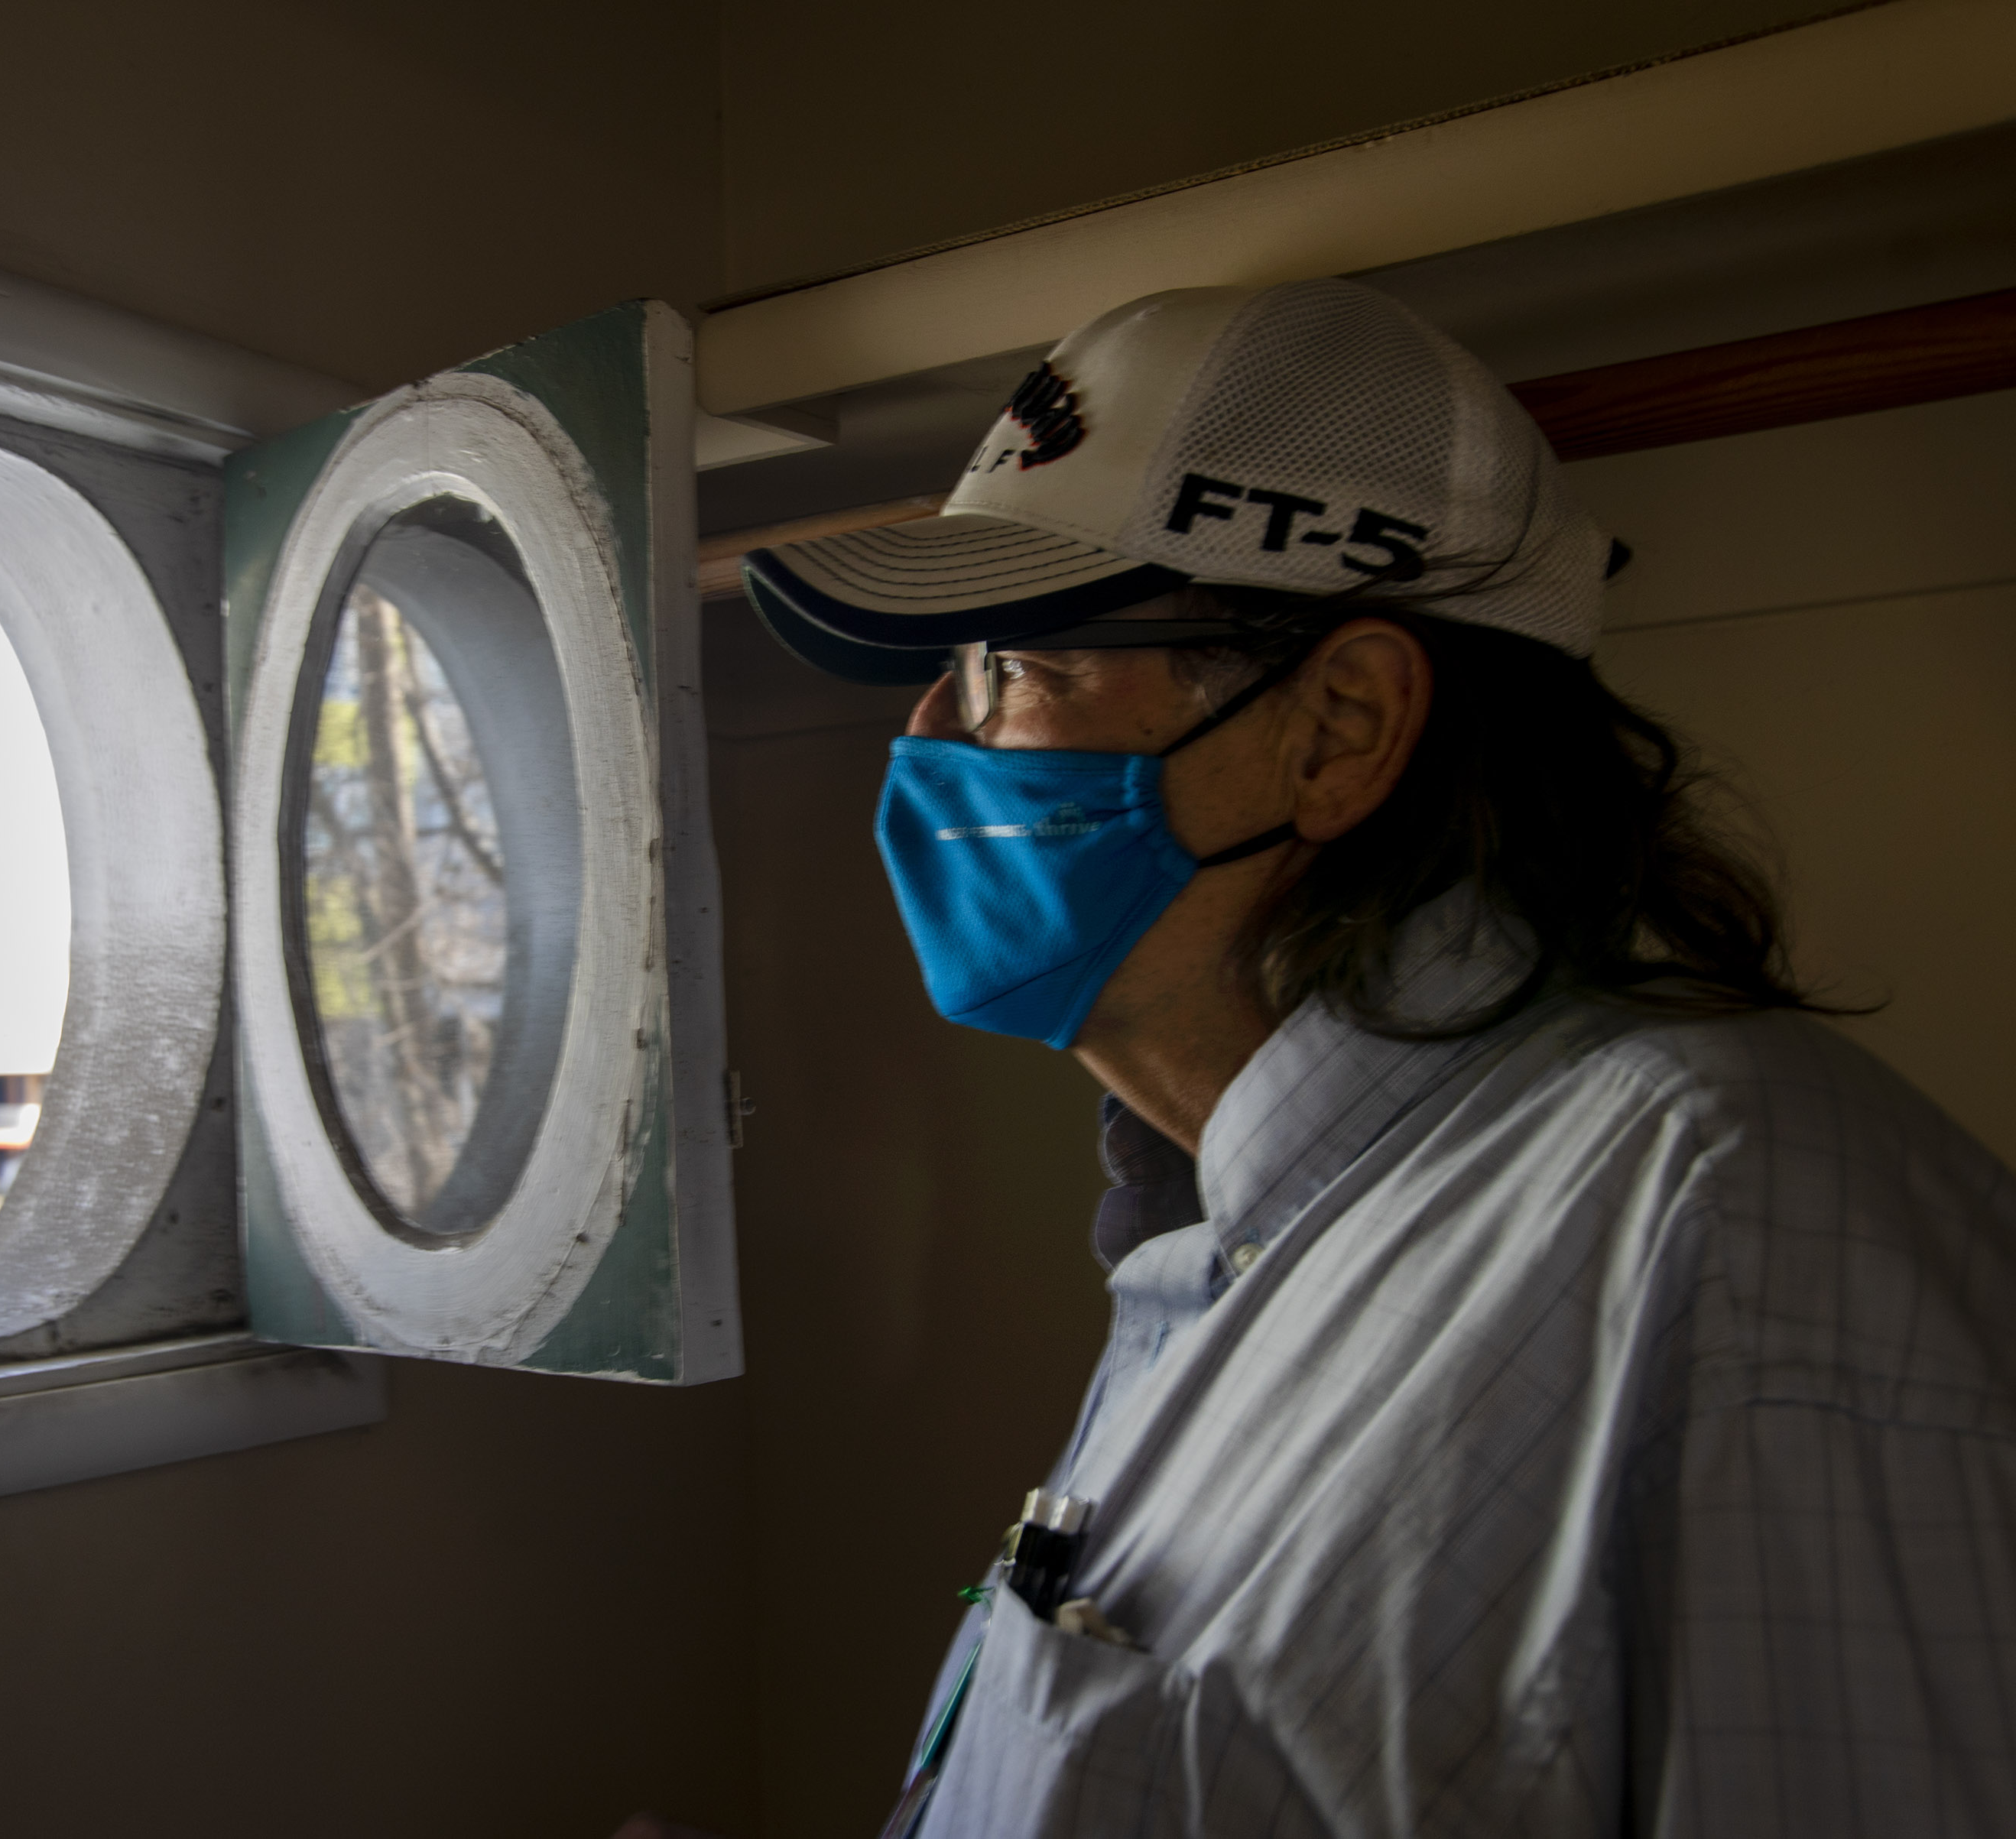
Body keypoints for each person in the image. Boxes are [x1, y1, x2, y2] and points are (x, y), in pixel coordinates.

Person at [739, 280, 2016, 1837]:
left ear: (1338, 727)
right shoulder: (1234, 1222)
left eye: (1022, 667)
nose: (937, 731)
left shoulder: (1741, 1235)